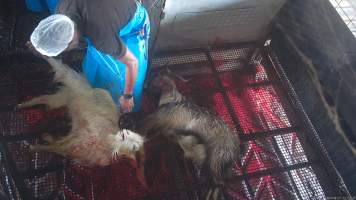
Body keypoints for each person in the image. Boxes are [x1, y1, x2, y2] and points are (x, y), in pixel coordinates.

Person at [27, 0, 150, 113]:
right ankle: (100, 89)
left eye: (64, 50)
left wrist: (127, 96)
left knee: (125, 77)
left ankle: (129, 108)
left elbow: (132, 62)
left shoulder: (102, 38)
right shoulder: (61, 10)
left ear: (72, 42)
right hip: (105, 15)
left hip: (132, 25)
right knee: (97, 62)